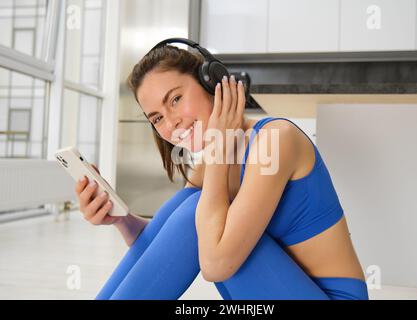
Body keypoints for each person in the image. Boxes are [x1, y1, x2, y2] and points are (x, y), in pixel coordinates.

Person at [75, 41, 369, 300]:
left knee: (196, 212)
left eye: (175, 99)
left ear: (211, 83)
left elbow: (216, 265)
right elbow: (167, 249)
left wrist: (218, 149)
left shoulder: (276, 140)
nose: (171, 123)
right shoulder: (212, 162)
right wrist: (122, 220)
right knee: (190, 208)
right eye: (157, 118)